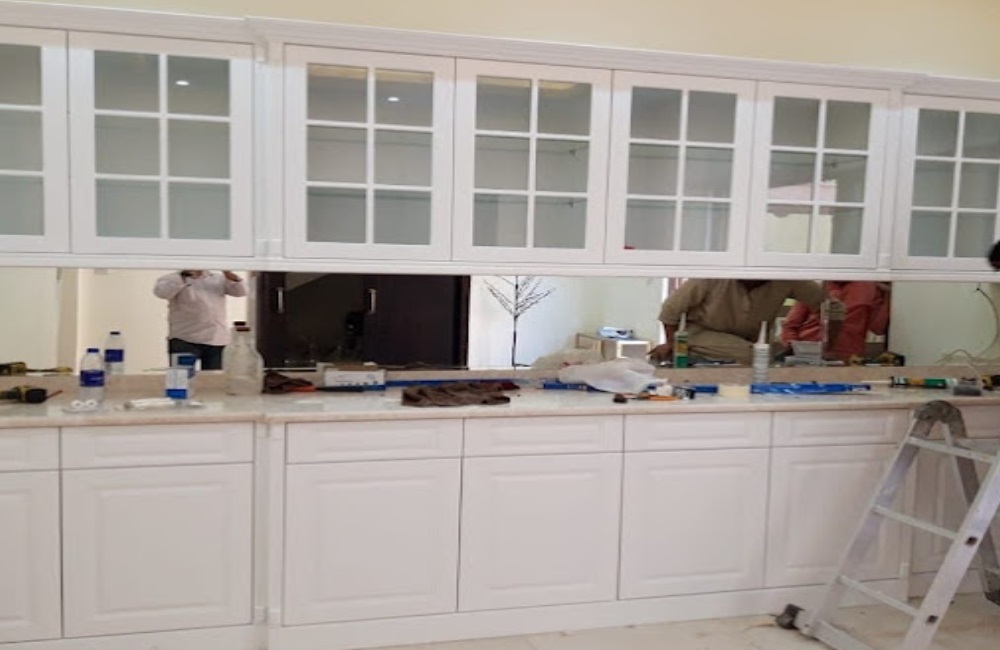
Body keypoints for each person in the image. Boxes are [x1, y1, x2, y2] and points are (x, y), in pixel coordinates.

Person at [649, 279, 837, 365]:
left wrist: (830, 346)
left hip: (755, 339)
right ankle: (696, 353)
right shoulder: (711, 277)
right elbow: (670, 311)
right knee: (754, 356)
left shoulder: (785, 278)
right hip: (702, 332)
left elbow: (833, 309)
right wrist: (673, 345)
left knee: (773, 355)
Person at [153, 270, 247, 370]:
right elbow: (161, 293)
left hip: (216, 338)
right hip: (184, 338)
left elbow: (242, 292)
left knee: (214, 378)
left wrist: (227, 272)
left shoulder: (218, 278)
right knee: (182, 376)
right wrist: (183, 277)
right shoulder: (172, 278)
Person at [781, 281, 890, 362]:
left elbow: (878, 328)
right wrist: (795, 349)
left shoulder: (869, 288)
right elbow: (790, 325)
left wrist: (888, 295)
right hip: (808, 354)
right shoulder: (817, 287)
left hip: (848, 358)